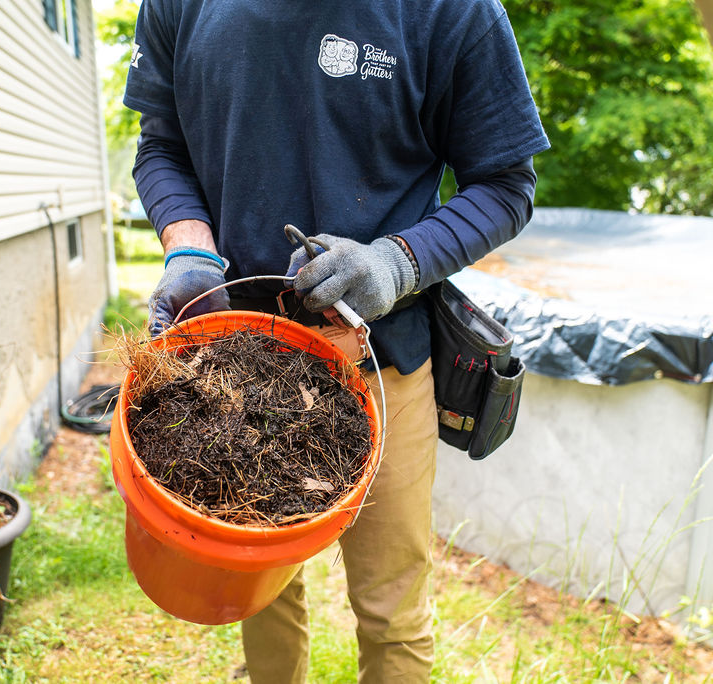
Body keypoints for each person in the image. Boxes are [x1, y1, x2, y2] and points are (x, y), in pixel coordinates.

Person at [124, 1, 548, 681]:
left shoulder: (451, 12)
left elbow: (505, 183)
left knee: (391, 613)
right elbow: (162, 145)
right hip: (235, 358)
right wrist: (189, 246)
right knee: (257, 590)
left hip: (378, 361)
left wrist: (396, 261)